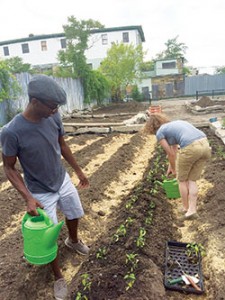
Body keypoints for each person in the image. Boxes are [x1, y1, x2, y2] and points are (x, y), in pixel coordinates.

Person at [1, 74, 90, 300]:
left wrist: (78, 170)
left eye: (57, 106)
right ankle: (58, 276)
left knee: (74, 213)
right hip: (39, 190)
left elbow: (62, 144)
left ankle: (73, 240)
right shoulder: (11, 132)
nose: (55, 110)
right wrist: (28, 198)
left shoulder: (53, 116)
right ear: (34, 102)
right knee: (47, 236)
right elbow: (9, 168)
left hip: (61, 179)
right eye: (52, 106)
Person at [144, 113, 211, 220]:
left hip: (191, 147)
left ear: (151, 127)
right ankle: (192, 210)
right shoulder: (173, 125)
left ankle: (185, 208)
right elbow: (174, 151)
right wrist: (171, 166)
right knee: (192, 180)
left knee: (182, 180)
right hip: (205, 145)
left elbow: (170, 153)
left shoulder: (160, 132)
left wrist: (174, 170)